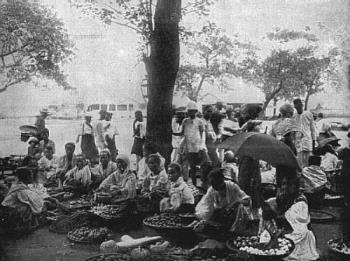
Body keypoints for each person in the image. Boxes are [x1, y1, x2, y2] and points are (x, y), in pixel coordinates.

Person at [194, 168, 251, 236]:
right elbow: (205, 205)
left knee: (240, 207)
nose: (215, 187)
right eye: (213, 185)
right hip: (222, 215)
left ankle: (234, 231)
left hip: (235, 215)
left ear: (222, 180)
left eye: (217, 184)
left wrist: (237, 202)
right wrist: (203, 219)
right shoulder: (211, 190)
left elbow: (247, 201)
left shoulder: (232, 187)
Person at [276, 174, 319, 260]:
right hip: (286, 229)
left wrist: (277, 216)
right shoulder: (282, 197)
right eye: (284, 184)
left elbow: (297, 222)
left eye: (289, 184)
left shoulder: (301, 200)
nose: (285, 187)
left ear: (295, 187)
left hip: (300, 233)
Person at [1, 167, 44, 234]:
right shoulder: (20, 189)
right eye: (30, 175)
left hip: (8, 208)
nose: (32, 177)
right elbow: (30, 201)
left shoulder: (20, 185)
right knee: (28, 206)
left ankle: (26, 225)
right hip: (7, 211)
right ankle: (24, 227)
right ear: (26, 177)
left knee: (29, 205)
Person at [181, 101, 205, 186]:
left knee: (195, 167)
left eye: (193, 111)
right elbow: (182, 133)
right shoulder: (185, 121)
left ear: (196, 111)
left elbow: (202, 135)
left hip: (197, 147)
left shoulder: (200, 122)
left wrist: (201, 147)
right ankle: (187, 183)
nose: (191, 113)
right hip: (188, 146)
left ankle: (196, 185)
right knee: (187, 166)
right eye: (189, 111)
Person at [293, 99, 317, 168]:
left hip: (308, 140)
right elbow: (293, 131)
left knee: (307, 162)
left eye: (299, 106)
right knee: (300, 163)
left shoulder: (308, 114)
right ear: (295, 107)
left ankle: (307, 176)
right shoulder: (294, 116)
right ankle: (301, 176)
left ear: (302, 105)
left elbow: (313, 129)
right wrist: (293, 141)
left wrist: (314, 141)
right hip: (298, 141)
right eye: (296, 107)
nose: (298, 108)